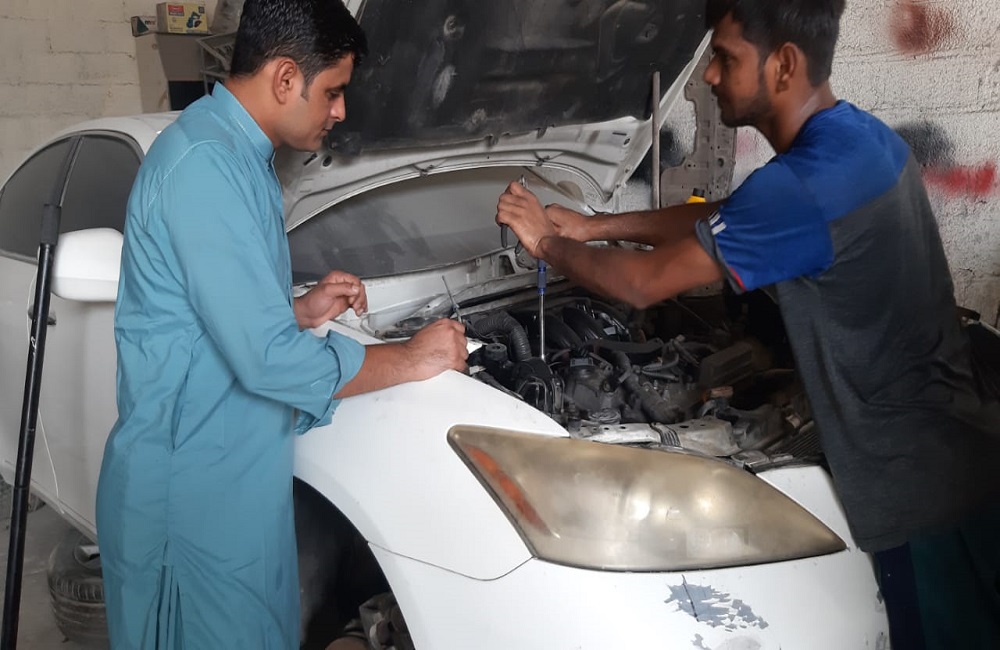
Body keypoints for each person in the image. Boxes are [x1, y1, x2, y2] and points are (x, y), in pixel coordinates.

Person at [496, 0, 1000, 647]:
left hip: (920, 487)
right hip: (960, 438)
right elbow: (732, 216)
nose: (708, 74)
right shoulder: (858, 141)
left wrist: (546, 244)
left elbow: (641, 284)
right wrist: (595, 227)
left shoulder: (803, 185)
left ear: (784, 64)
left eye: (725, 57)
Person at [95, 0, 468, 647]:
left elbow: (205, 314)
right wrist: (411, 358)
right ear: (286, 78)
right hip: (191, 501)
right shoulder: (205, 167)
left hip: (236, 486)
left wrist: (295, 311)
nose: (340, 111)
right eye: (333, 92)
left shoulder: (239, 157)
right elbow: (267, 360)